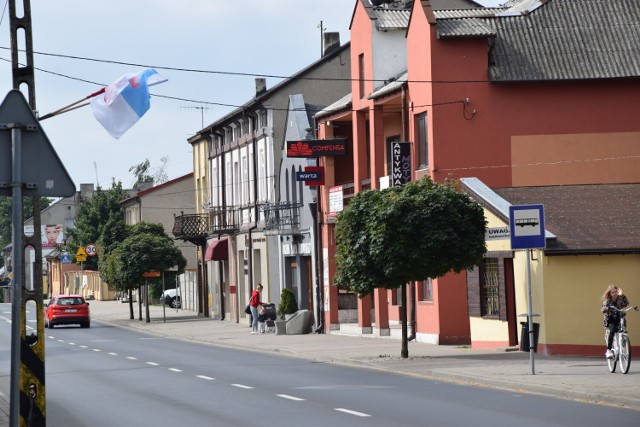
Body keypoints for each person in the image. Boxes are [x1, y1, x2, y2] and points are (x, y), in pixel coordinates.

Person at [601, 284, 629, 358]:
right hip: (611, 320)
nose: (615, 293)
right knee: (612, 331)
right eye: (613, 292)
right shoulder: (607, 301)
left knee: (623, 331)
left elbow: (625, 304)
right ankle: (609, 351)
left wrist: (622, 295)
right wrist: (605, 309)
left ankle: (623, 346)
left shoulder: (620, 299)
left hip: (620, 319)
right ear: (610, 294)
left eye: (616, 292)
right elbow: (603, 308)